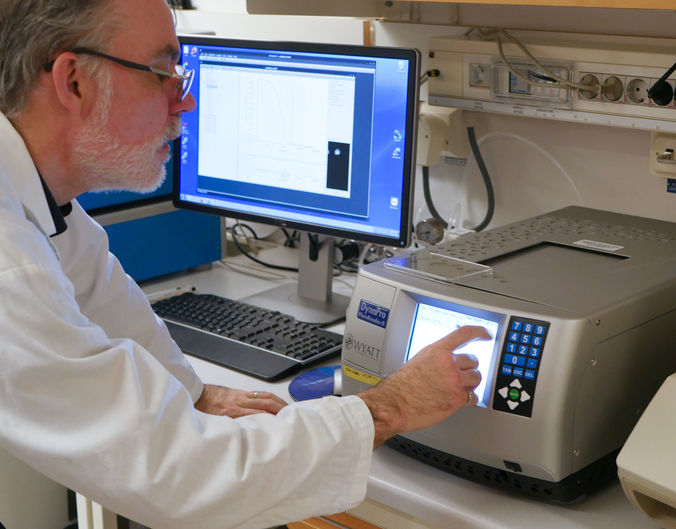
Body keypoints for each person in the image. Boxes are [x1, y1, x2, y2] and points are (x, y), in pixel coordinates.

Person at [0, 1, 489, 528]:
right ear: (74, 82)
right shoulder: (9, 261)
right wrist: (391, 407)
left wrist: (195, 392)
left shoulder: (42, 203)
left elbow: (102, 297)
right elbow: (178, 474)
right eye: (163, 72)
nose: (184, 101)